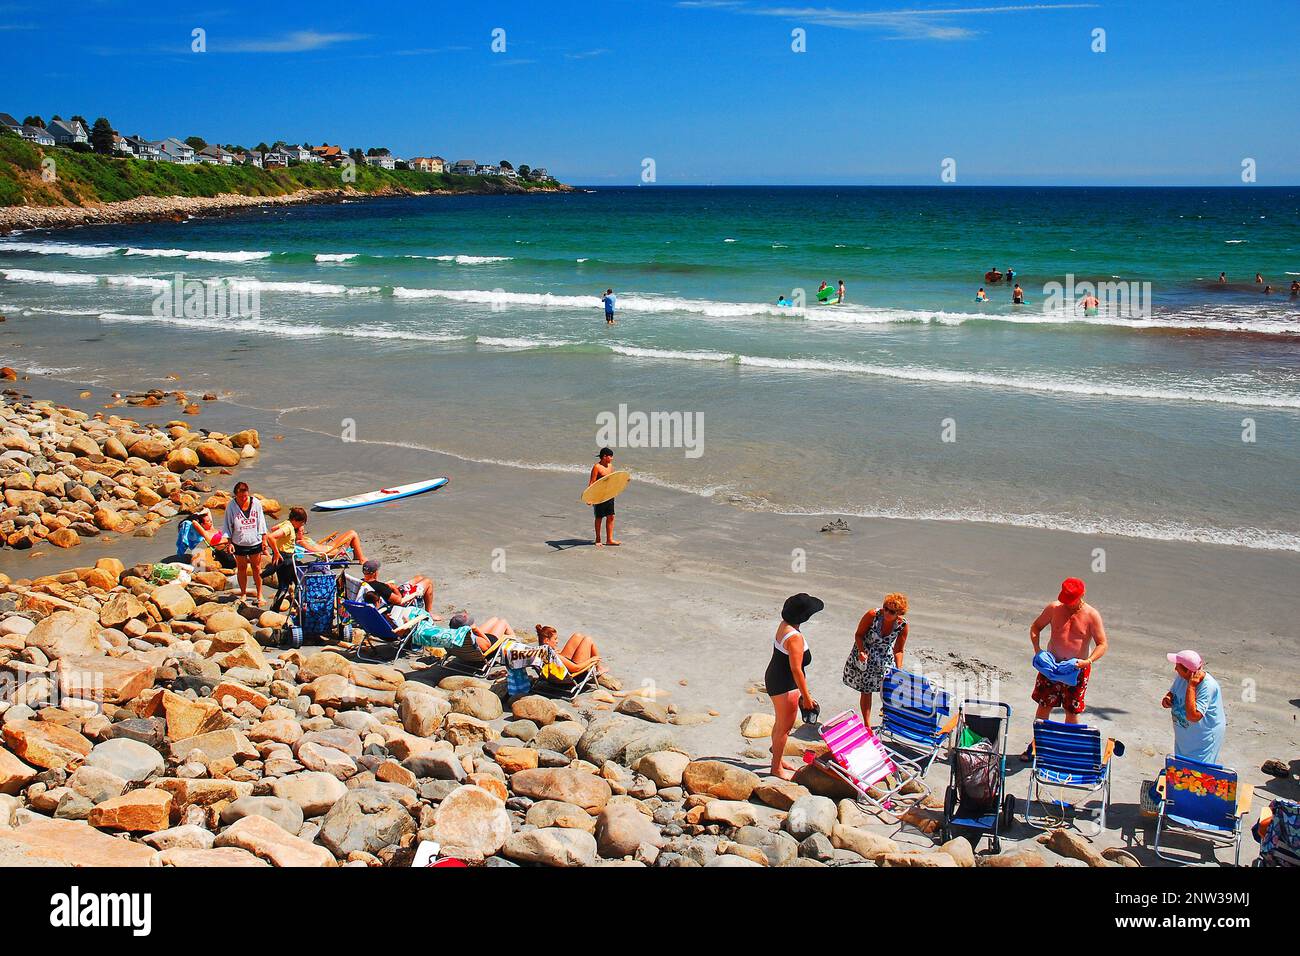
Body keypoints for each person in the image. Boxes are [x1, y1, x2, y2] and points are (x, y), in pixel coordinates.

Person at [1022, 577, 1108, 758]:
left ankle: (1069, 749)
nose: (1067, 603)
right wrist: (1038, 650)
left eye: (1071, 599)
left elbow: (1102, 644)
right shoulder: (1054, 608)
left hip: (1076, 669)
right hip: (1051, 667)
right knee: (1044, 706)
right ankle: (1037, 745)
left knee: (1072, 710)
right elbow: (1036, 627)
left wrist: (1089, 661)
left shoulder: (1091, 615)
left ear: (1082, 595)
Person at [764, 593, 823, 780]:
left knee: (779, 723)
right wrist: (806, 697)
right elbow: (796, 670)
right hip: (785, 685)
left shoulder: (784, 626)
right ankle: (776, 769)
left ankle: (778, 759)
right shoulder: (795, 638)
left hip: (775, 678)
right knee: (784, 728)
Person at [842, 593, 909, 726]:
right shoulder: (872, 615)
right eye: (885, 608)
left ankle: (887, 717)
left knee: (890, 688)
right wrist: (861, 651)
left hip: (884, 658)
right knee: (866, 691)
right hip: (865, 655)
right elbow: (859, 635)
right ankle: (867, 724)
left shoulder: (902, 625)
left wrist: (898, 669)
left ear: (899, 613)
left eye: (892, 611)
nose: (887, 612)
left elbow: (899, 650)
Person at [1161, 649, 1225, 766]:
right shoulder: (1181, 677)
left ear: (1188, 672)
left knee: (1197, 775)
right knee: (1181, 770)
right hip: (1185, 738)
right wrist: (1168, 698)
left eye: (1178, 667)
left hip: (1202, 741)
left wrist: (1191, 686)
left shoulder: (1208, 686)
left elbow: (1193, 716)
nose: (1175, 669)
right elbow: (1172, 692)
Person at [221, 481, 271, 605]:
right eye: (240, 497)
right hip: (239, 542)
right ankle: (243, 594)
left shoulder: (256, 504)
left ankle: (259, 594)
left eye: (245, 496)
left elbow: (262, 522)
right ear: (235, 495)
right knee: (242, 568)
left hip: (255, 541)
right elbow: (227, 525)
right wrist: (229, 543)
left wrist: (264, 539)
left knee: (256, 568)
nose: (243, 499)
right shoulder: (231, 506)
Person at [267, 506, 367, 565]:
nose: (303, 530)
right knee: (352, 533)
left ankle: (357, 556)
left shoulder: (299, 536)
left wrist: (285, 524)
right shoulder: (300, 542)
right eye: (301, 530)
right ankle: (361, 558)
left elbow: (273, 528)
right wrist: (328, 552)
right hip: (330, 551)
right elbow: (316, 551)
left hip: (329, 547)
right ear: (296, 533)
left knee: (351, 533)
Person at [356, 557, 437, 617]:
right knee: (427, 582)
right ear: (374, 573)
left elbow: (379, 588)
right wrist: (394, 588)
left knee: (419, 578)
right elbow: (399, 601)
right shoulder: (380, 587)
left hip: (391, 594)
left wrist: (389, 587)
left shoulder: (362, 582)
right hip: (403, 600)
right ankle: (428, 613)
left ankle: (428, 612)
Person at [169, 508, 234, 569]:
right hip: (227, 558)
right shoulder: (206, 534)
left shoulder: (212, 528)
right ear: (202, 524)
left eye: (210, 520)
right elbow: (194, 522)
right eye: (208, 521)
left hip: (231, 550)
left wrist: (199, 514)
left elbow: (207, 510)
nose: (211, 522)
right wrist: (195, 518)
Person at [588, 446, 621, 547]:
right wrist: (590, 498)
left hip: (609, 494)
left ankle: (609, 539)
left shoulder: (610, 466)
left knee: (611, 516)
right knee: (599, 517)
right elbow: (592, 483)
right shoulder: (597, 467)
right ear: (604, 456)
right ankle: (598, 538)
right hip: (599, 496)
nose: (612, 458)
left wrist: (623, 481)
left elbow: (613, 478)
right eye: (610, 456)